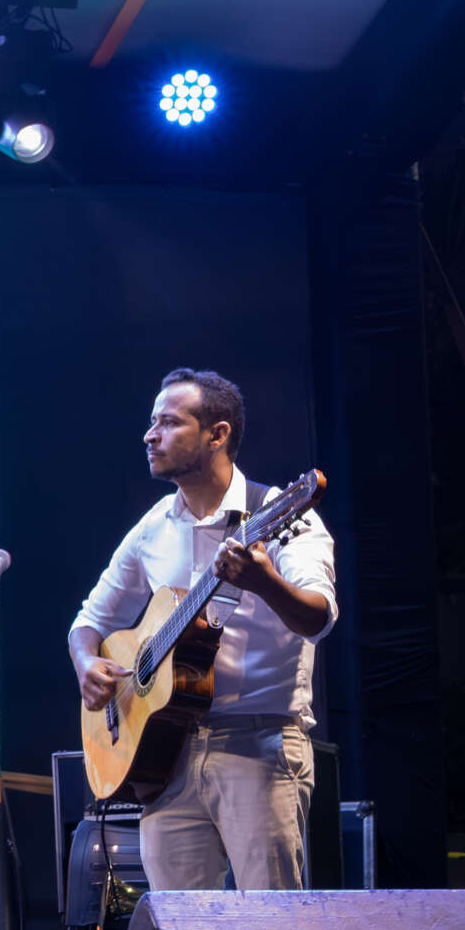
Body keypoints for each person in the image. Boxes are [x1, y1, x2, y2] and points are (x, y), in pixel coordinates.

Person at [71, 369, 336, 891]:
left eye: (169, 423)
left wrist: (265, 583)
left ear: (217, 434)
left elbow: (318, 617)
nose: (151, 435)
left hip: (257, 745)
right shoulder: (154, 526)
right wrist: (86, 663)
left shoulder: (282, 514)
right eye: (152, 423)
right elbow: (89, 620)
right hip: (166, 754)